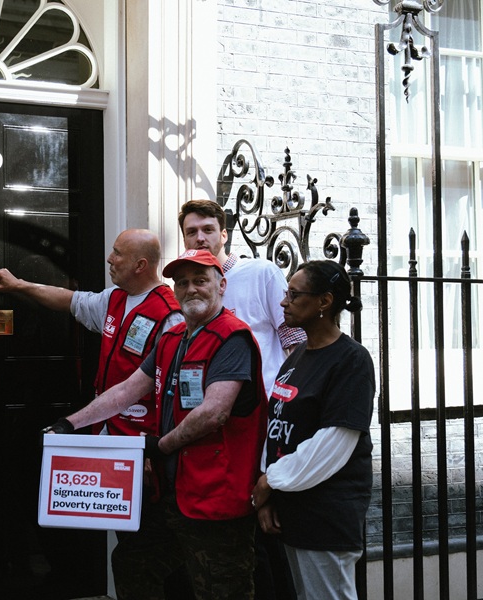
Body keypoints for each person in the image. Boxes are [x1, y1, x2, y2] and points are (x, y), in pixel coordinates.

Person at [46, 248, 269, 599]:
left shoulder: (232, 337)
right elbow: (126, 390)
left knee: (221, 589)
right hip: (175, 493)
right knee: (133, 563)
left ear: (221, 285)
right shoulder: (172, 338)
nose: (191, 289)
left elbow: (215, 412)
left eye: (200, 281)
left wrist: (160, 445)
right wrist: (68, 425)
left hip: (215, 497)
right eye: (183, 283)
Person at [0, 228, 186, 598]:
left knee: (147, 548)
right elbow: (69, 300)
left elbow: (173, 394)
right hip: (109, 439)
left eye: (117, 254)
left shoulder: (171, 317)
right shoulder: (115, 299)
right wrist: (18, 286)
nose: (109, 259)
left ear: (141, 265)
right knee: (126, 540)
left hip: (144, 451)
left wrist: (153, 452)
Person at [178, 199, 303, 599]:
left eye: (208, 229)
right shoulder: (189, 286)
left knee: (262, 525)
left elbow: (294, 338)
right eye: (192, 231)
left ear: (224, 234)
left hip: (261, 423)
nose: (201, 237)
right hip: (212, 433)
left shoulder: (260, 272)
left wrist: (290, 402)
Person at [251, 260, 375, 600]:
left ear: (324, 301)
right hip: (291, 513)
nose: (283, 302)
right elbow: (274, 427)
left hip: (326, 518)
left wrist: (270, 481)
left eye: (294, 294)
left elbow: (335, 441)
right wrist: (269, 493)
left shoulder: (351, 360)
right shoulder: (297, 357)